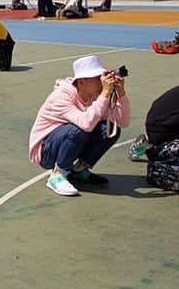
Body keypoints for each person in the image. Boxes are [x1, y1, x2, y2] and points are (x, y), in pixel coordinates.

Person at [29, 55, 131, 196]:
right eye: (97, 78)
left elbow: (122, 122)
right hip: (46, 151)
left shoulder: (96, 95)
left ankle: (79, 171)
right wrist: (105, 93)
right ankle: (58, 175)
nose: (101, 82)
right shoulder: (61, 96)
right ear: (82, 82)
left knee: (108, 129)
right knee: (78, 129)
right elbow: (86, 124)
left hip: (70, 141)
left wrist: (121, 94)